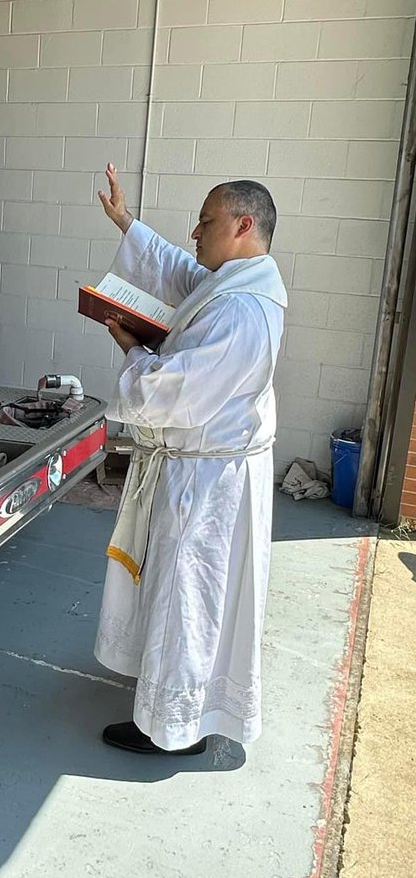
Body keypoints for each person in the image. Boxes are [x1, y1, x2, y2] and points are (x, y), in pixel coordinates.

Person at [93, 163, 287, 756]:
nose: (195, 232)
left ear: (244, 224)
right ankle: (174, 703)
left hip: (206, 479)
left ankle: (174, 729)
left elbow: (169, 393)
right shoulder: (234, 281)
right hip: (200, 469)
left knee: (188, 596)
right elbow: (181, 271)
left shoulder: (243, 311)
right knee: (184, 593)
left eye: (206, 221)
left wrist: (132, 347)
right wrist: (126, 221)